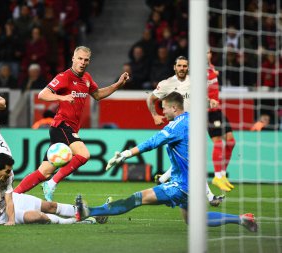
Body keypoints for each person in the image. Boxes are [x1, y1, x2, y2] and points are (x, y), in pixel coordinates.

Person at [76, 92, 257, 232]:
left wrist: (125, 154)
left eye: (164, 108)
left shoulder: (177, 125)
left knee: (135, 199)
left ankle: (90, 212)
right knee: (194, 220)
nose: (163, 111)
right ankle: (242, 219)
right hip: (189, 184)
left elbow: (152, 142)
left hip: (180, 186)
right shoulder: (191, 120)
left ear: (174, 108)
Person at [14, 46, 130, 201]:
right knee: (84, 154)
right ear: (73, 59)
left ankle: (13, 196)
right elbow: (43, 94)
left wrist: (117, 84)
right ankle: (52, 183)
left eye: (86, 60)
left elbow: (97, 95)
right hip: (61, 126)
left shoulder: (86, 78)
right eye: (79, 59)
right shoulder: (65, 77)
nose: (82, 62)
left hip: (68, 129)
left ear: (89, 61)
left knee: (44, 171)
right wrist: (62, 98)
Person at [146, 56, 222, 205]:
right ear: (174, 67)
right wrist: (155, 115)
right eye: (179, 66)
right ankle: (210, 196)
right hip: (179, 130)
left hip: (194, 126)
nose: (182, 68)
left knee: (191, 162)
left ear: (188, 68)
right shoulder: (167, 84)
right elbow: (150, 98)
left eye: (184, 66)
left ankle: (162, 179)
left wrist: (209, 101)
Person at [0, 153, 99, 226]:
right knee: (38, 216)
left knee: (50, 205)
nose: (10, 174)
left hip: (8, 203)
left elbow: (10, 199)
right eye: (7, 171)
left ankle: (89, 211)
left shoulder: (7, 176)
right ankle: (75, 221)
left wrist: (12, 220)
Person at [207, 49, 236, 192]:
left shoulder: (211, 67)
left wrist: (215, 73)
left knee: (231, 141)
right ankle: (217, 176)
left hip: (217, 111)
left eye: (208, 52)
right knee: (218, 142)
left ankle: (223, 175)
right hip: (207, 113)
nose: (207, 55)